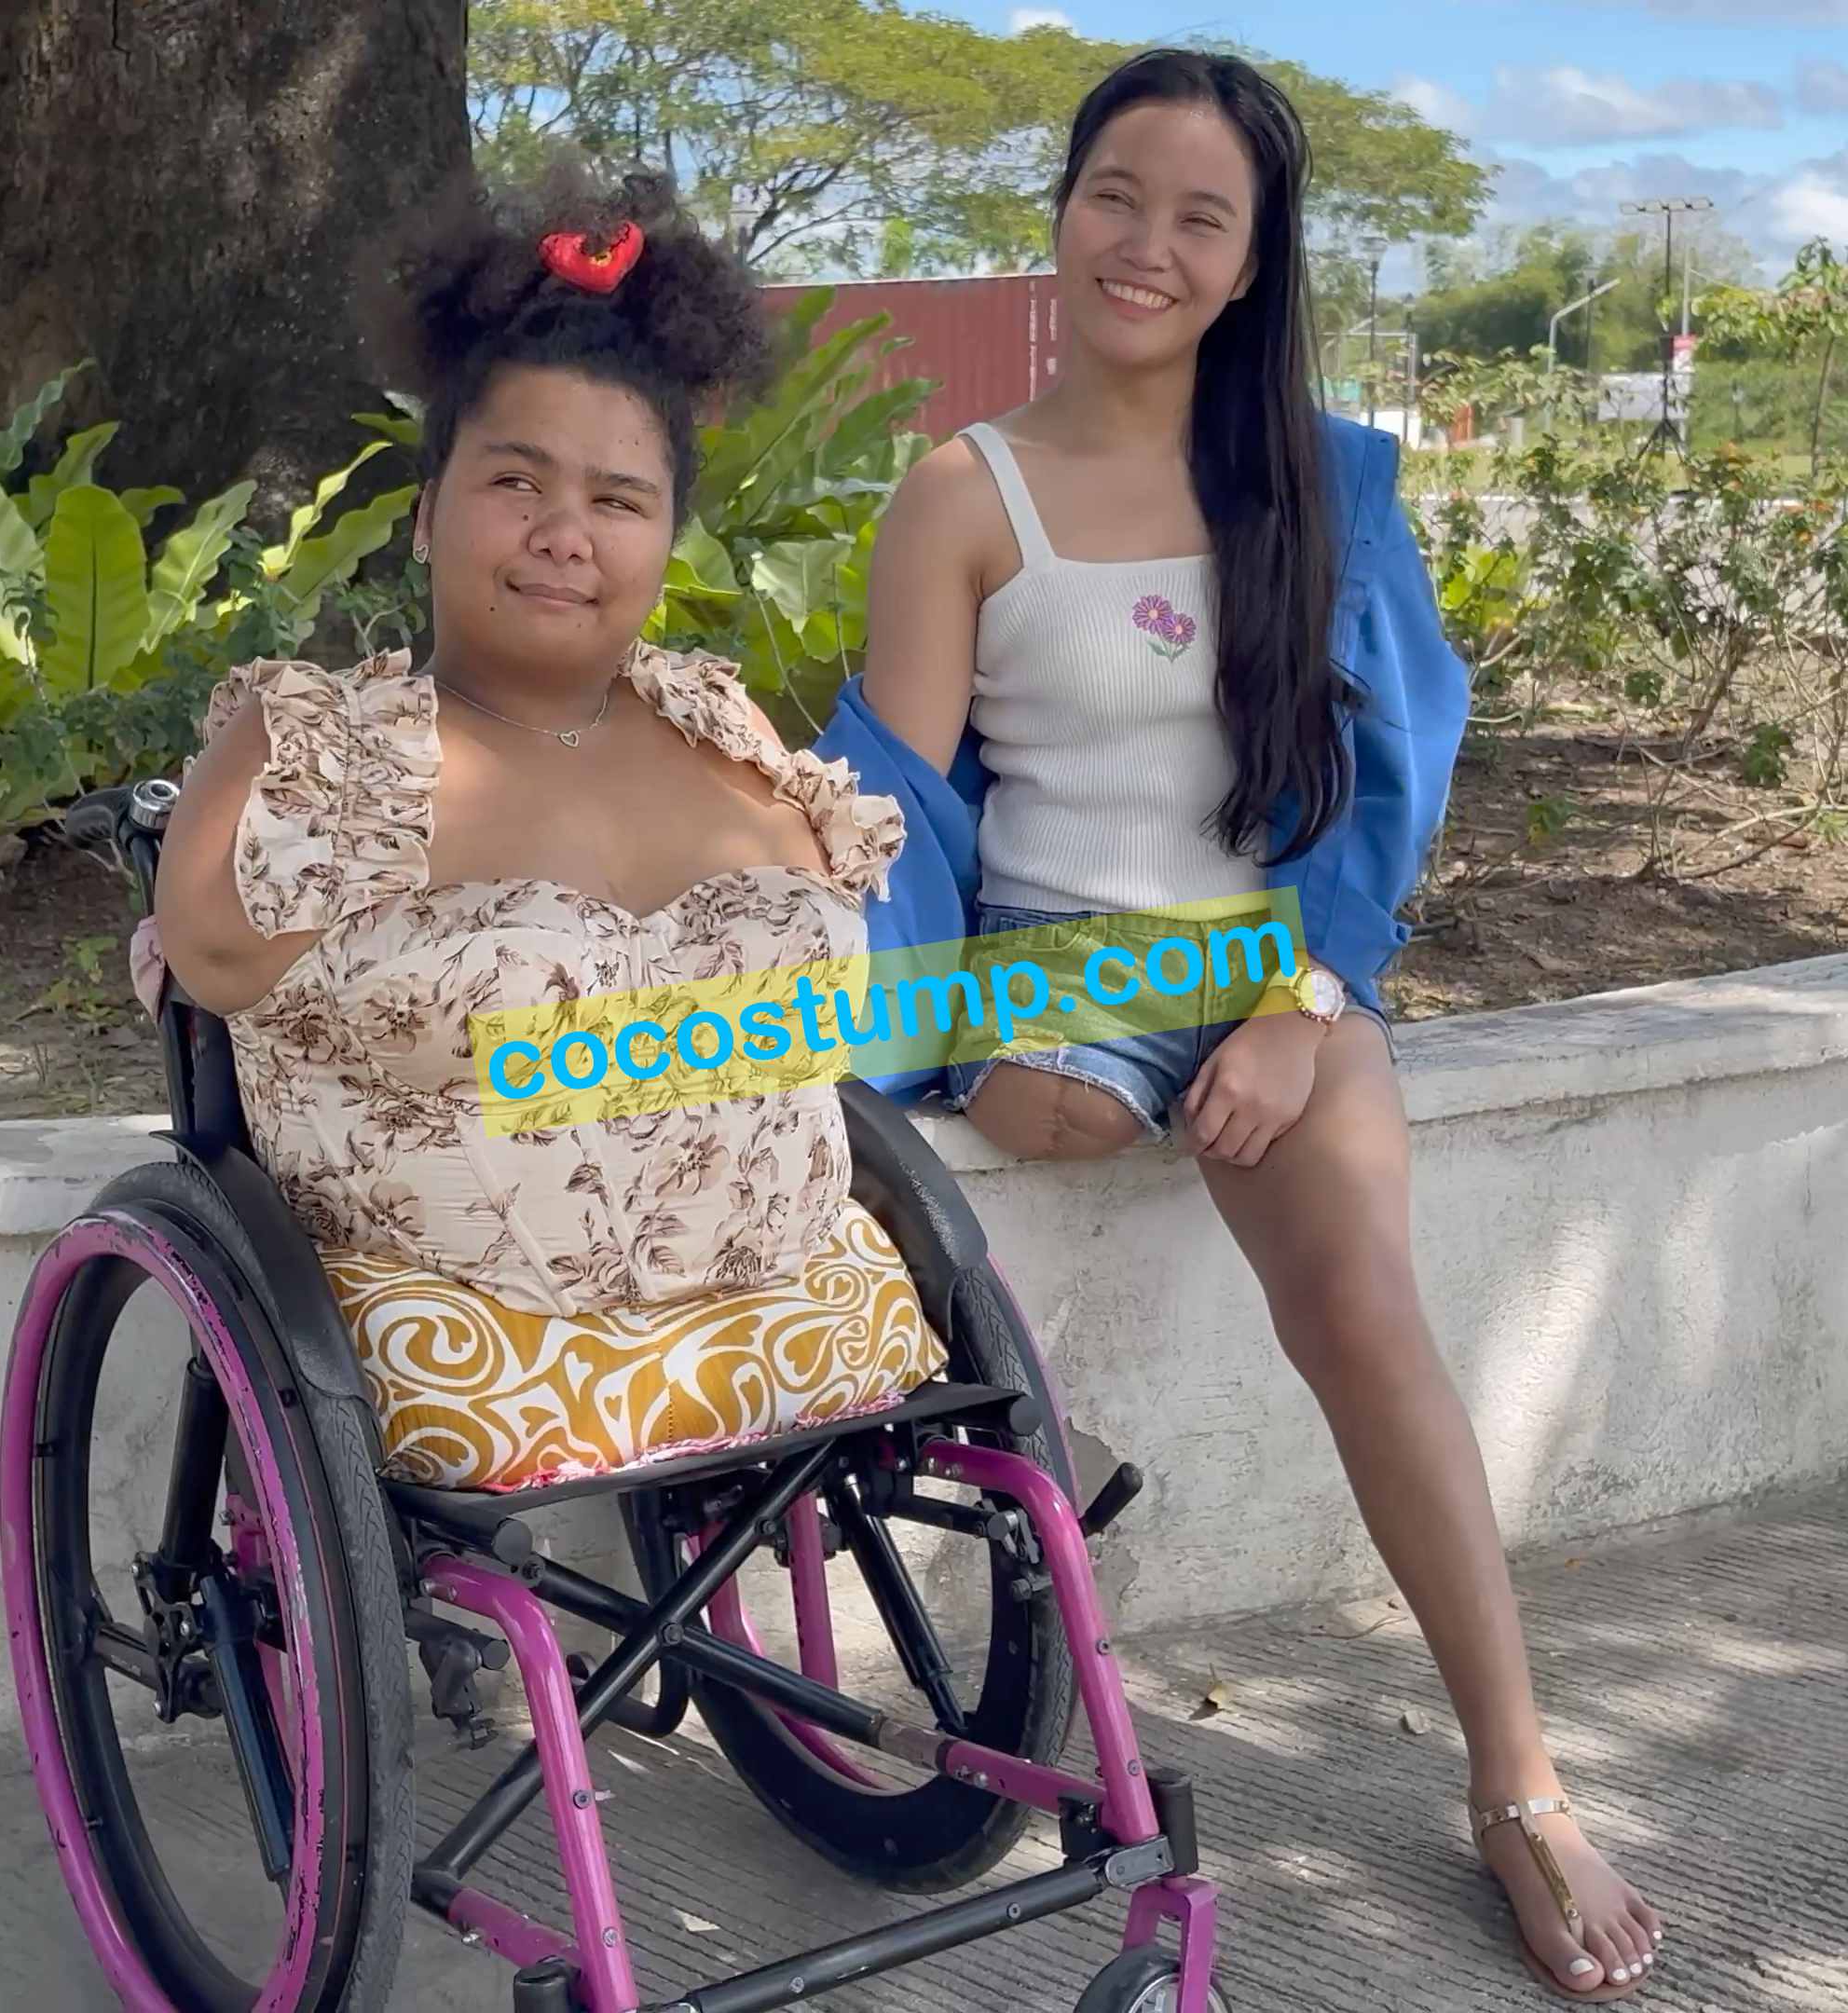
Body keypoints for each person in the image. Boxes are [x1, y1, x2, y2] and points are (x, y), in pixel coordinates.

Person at [835, 47, 1663, 2002]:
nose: (1148, 244)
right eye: (1117, 195)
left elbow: (1388, 768)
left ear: (1252, 259)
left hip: (1279, 955)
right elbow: (896, 811)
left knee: (1362, 1309)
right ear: (1064, 209)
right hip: (1053, 970)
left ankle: (1520, 1779)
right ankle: (1058, 1456)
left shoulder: (1321, 477)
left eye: (1201, 217)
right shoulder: (963, 495)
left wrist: (1303, 1003)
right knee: (1039, 1109)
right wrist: (857, 1045)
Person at [149, 156, 942, 1494]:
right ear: (425, 514)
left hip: (801, 1307)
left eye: (619, 500)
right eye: (517, 483)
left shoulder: (720, 730)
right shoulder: (323, 750)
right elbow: (215, 953)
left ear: (667, 539)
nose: (566, 533)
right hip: (472, 1339)